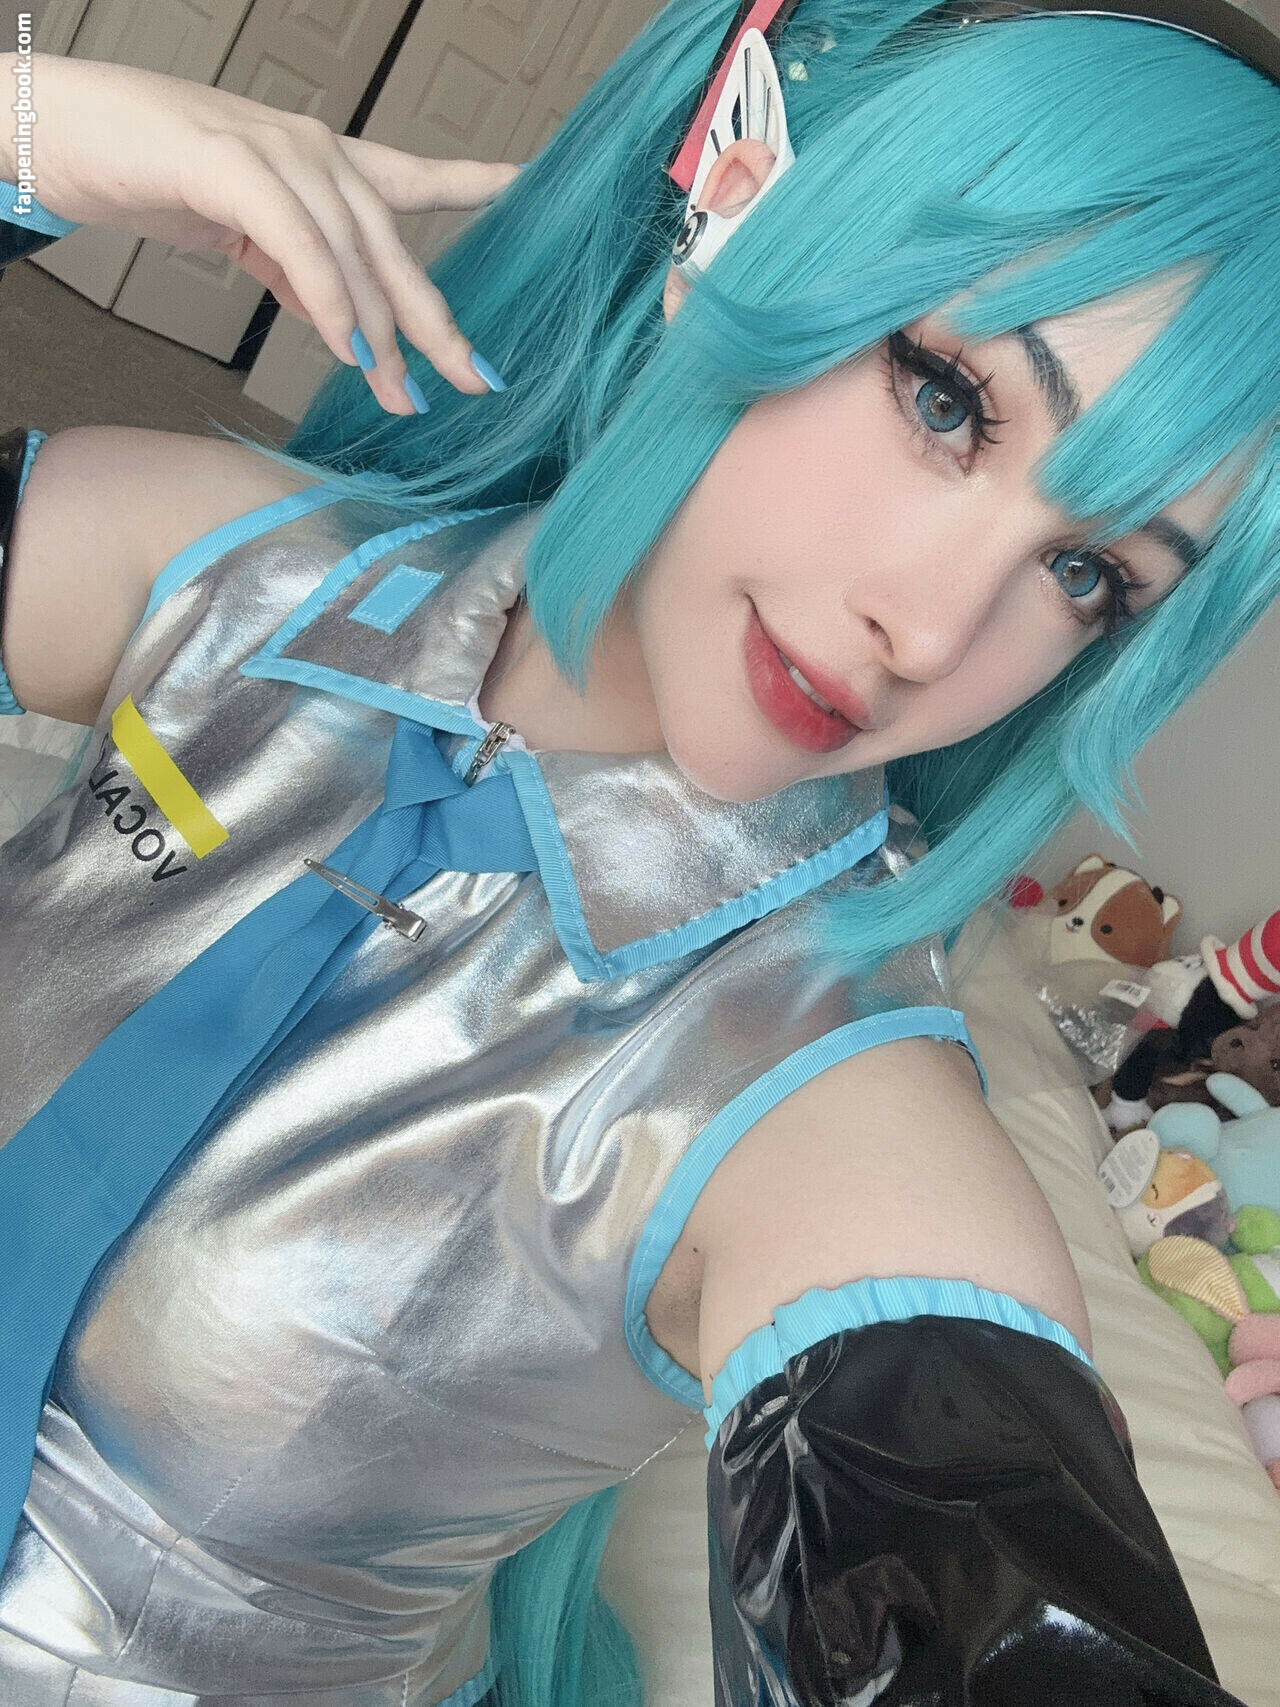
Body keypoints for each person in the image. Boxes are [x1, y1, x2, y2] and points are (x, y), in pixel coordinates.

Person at [0, 0, 1274, 1701]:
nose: (929, 628)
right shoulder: (239, 572)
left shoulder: (835, 1109)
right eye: (947, 398)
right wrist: (26, 129)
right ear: (739, 212)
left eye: (1088, 574)